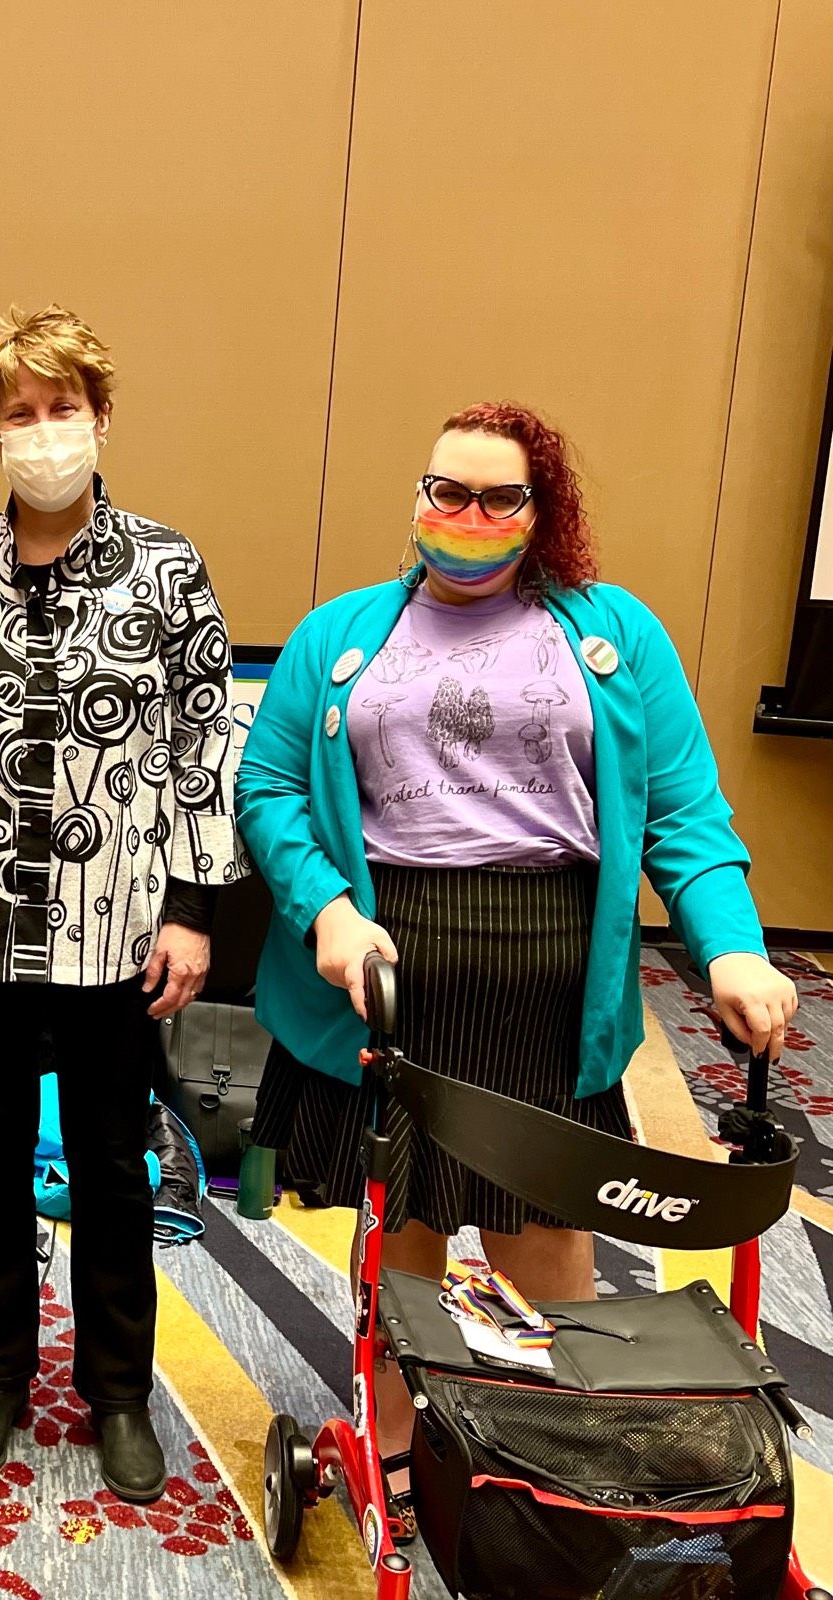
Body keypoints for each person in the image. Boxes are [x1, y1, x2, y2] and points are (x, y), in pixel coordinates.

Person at [238, 399, 798, 1482]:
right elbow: (268, 789)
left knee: (542, 1222)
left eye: (499, 497)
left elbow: (683, 811)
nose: (467, 514)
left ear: (540, 511)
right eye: (445, 490)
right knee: (397, 1217)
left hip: (549, 970)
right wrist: (326, 910)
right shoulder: (340, 633)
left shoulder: (613, 631)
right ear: (416, 497)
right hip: (383, 967)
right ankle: (392, 1437)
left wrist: (727, 946)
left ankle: (546, 1450)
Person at [0, 306, 243, 1502]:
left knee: (110, 1165)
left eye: (62, 408)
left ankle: (117, 1390)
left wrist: (191, 910)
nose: (43, 433)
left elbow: (200, 744)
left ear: (99, 418)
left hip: (114, 928)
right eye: (20, 414)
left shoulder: (164, 564)